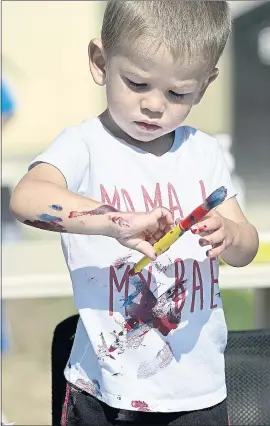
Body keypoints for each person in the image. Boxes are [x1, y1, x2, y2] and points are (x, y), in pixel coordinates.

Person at [10, 1, 259, 425]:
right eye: (137, 83)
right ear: (101, 62)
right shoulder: (85, 145)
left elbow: (247, 246)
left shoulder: (203, 151)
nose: (155, 105)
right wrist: (116, 221)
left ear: (203, 86)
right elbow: (27, 199)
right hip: (104, 387)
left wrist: (230, 235)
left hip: (196, 391)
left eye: (178, 92)